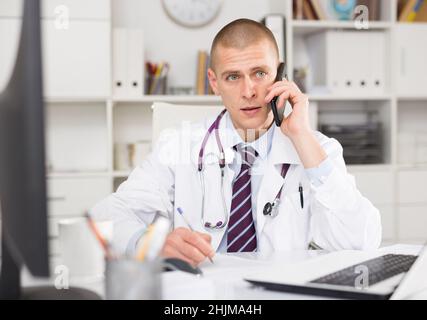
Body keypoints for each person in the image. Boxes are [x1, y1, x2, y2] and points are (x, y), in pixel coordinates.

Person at [91, 18, 381, 267]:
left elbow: (361, 241)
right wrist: (150, 244)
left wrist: (302, 138)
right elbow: (106, 215)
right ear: (214, 82)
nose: (248, 91)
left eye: (260, 73)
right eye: (232, 77)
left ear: (279, 74)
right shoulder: (178, 145)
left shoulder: (317, 149)